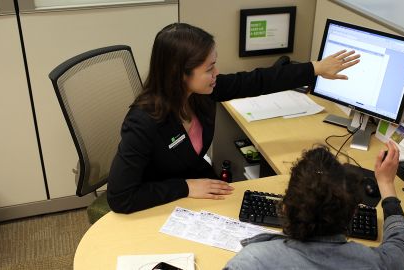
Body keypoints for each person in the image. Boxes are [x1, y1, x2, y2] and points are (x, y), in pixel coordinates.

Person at [106, 23, 360, 214]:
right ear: (180, 73)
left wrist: (314, 69)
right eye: (209, 69)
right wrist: (184, 187)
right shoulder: (143, 121)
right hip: (159, 201)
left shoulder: (201, 93)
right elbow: (120, 197)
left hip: (197, 186)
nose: (216, 73)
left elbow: (256, 81)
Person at [224, 141, 404, 269]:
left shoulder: (250, 262)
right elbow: (402, 246)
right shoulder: (370, 263)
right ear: (352, 214)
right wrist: (386, 184)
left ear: (284, 208)